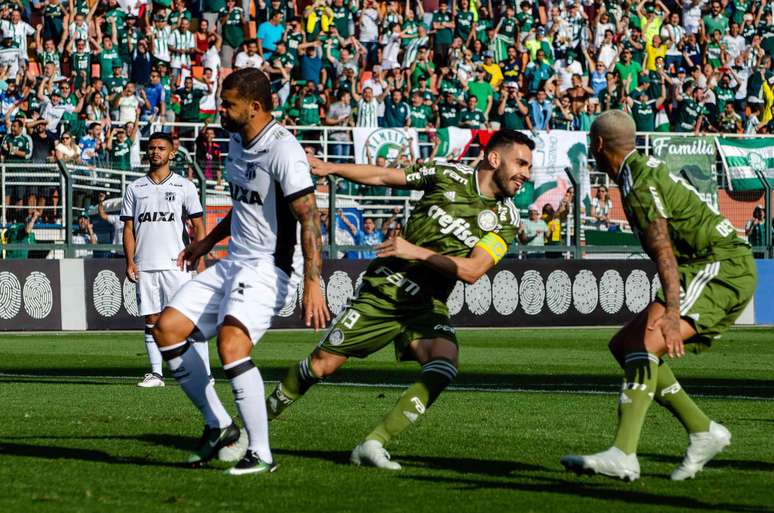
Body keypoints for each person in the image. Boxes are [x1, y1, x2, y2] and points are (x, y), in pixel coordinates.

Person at [266, 130, 534, 470]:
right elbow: (383, 175)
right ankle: (252, 428)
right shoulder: (446, 174)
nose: (526, 173)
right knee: (321, 365)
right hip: (386, 290)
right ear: (494, 159)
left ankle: (373, 444)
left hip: (427, 303)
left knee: (444, 363)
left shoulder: (507, 219)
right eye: (521, 163)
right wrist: (331, 167)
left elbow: (472, 270)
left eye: (528, 166)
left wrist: (414, 251)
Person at [561, 110, 756, 482]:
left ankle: (624, 453)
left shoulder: (636, 182)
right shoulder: (639, 169)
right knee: (625, 344)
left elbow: (664, 251)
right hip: (702, 264)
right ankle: (703, 430)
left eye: (591, 144)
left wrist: (672, 310)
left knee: (646, 343)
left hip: (718, 265)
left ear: (599, 146)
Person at [150, 68, 328, 475]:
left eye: (227, 104)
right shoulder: (235, 140)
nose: (220, 111)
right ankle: (220, 426)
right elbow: (247, 204)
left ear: (255, 106)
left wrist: (314, 283)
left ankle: (261, 454)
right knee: (167, 329)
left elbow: (310, 217)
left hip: (270, 268)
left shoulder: (284, 151)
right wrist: (207, 242)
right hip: (233, 261)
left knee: (232, 345)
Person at [120, 132, 208, 389]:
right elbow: (128, 229)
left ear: (171, 153)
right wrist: (130, 261)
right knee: (151, 319)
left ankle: (203, 373)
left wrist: (198, 255)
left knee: (187, 319)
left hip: (176, 264)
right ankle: (156, 375)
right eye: (152, 148)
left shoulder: (184, 186)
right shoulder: (135, 187)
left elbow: (198, 225)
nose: (155, 152)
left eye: (161, 148)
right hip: (145, 264)